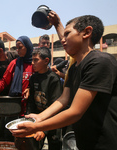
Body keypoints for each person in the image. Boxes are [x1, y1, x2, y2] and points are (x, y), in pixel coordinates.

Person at [12, 12, 117, 150]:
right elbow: (63, 99)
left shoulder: (100, 62)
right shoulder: (74, 68)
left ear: (86, 32)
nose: (62, 39)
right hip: (85, 139)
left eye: (67, 34)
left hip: (105, 141)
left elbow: (75, 111)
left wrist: (37, 127)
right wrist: (39, 117)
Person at [0, 36, 34, 141]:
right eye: (17, 48)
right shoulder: (14, 63)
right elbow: (4, 81)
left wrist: (30, 88)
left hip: (30, 108)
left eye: (20, 47)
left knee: (26, 139)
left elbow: (39, 82)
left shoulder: (35, 63)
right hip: (15, 107)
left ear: (28, 47)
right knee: (10, 136)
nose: (18, 50)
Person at [27, 47, 63, 150]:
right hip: (37, 120)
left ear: (46, 61)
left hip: (52, 122)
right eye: (32, 60)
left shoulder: (53, 79)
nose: (32, 63)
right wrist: (31, 121)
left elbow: (55, 105)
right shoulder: (33, 78)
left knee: (54, 145)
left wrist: (43, 129)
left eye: (36, 60)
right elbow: (31, 102)